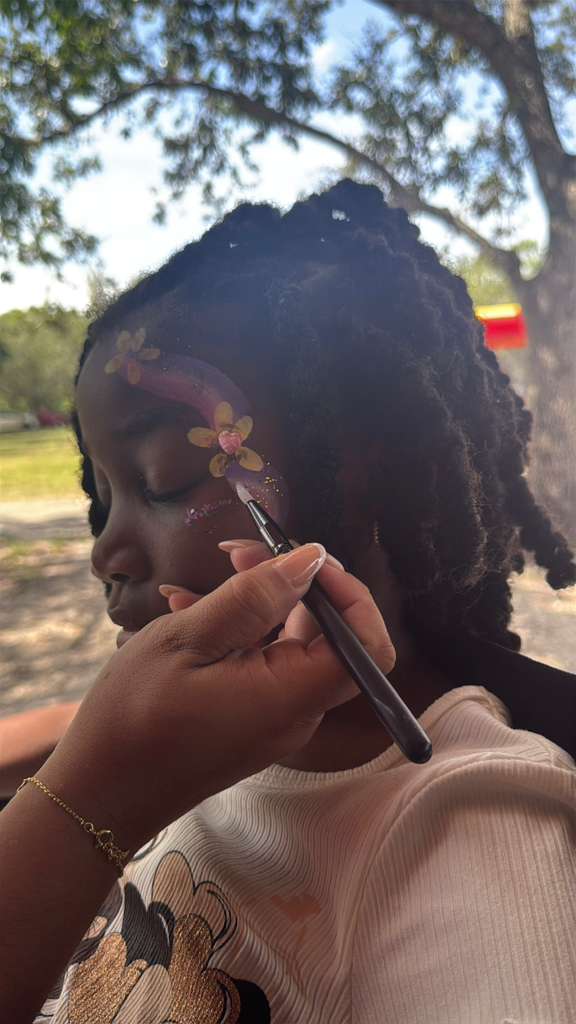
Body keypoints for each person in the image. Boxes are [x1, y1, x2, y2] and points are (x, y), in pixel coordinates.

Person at [1, 179, 575, 1023]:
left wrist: (90, 801)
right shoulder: (181, 739)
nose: (104, 552)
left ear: (366, 475)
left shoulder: (468, 819)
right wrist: (94, 774)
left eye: (164, 480)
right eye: (102, 493)